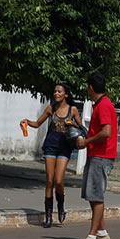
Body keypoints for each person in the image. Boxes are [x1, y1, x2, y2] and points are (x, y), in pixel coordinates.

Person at [21, 83, 83, 228]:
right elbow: (37, 123)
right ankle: (48, 216)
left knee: (59, 181)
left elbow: (81, 128)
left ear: (66, 94)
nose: (56, 93)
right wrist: (27, 122)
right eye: (55, 91)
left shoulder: (72, 110)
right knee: (49, 180)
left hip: (64, 147)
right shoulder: (51, 108)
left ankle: (60, 205)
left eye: (59, 91)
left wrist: (72, 124)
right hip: (51, 145)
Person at [76, 74, 118, 239]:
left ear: (91, 88)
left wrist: (86, 141)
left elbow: (106, 132)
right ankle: (101, 232)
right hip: (97, 155)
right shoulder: (101, 105)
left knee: (96, 195)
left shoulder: (104, 106)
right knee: (92, 194)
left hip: (102, 156)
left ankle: (92, 236)